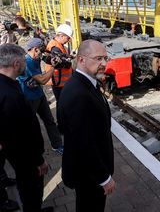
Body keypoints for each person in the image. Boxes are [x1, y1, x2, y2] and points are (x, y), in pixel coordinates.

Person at [58, 39, 115, 212]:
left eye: (105, 58)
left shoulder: (83, 84)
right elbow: (84, 144)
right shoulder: (80, 95)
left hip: (87, 172)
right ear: (81, 60)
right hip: (89, 176)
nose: (104, 64)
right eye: (98, 58)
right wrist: (104, 178)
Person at [0, 43, 51, 212]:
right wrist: (39, 160)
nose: (25, 64)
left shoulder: (6, 85)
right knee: (31, 188)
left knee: (27, 187)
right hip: (25, 157)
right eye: (23, 61)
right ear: (16, 64)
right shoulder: (10, 95)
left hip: (14, 153)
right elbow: (20, 135)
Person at [17, 38, 64, 154]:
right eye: (41, 51)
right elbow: (42, 80)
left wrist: (54, 59)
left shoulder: (36, 57)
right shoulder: (27, 61)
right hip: (29, 99)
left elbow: (46, 58)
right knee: (30, 126)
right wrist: (54, 67)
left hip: (39, 95)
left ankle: (57, 145)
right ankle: (32, 151)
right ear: (35, 49)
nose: (42, 53)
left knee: (50, 121)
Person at [45, 24, 74, 102]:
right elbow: (62, 64)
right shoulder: (55, 48)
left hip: (59, 81)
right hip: (59, 82)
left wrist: (68, 57)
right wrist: (69, 63)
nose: (68, 40)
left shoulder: (56, 44)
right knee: (62, 103)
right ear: (61, 36)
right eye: (68, 38)